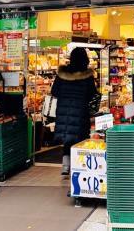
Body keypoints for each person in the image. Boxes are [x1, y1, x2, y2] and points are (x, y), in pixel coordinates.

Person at [51, 47, 100, 175]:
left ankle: (66, 166)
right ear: (85, 59)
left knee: (68, 138)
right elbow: (92, 94)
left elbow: (54, 91)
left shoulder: (62, 74)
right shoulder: (87, 76)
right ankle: (79, 166)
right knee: (80, 139)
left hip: (63, 111)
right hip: (80, 111)